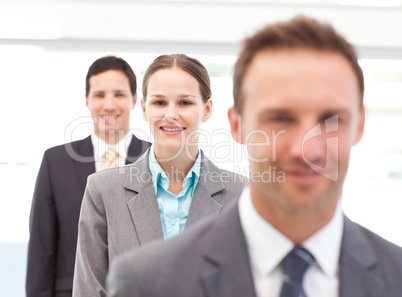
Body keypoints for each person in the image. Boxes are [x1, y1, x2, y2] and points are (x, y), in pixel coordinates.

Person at [106, 17, 402, 297]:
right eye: (281, 119)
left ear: (360, 126)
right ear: (237, 125)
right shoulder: (146, 282)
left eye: (331, 120)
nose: (307, 150)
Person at [72, 54, 246, 297]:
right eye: (159, 103)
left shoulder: (242, 194)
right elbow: (89, 290)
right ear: (143, 108)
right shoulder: (103, 190)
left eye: (185, 103)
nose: (171, 114)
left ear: (207, 109)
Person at [26, 56, 150, 297]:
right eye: (100, 95)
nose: (109, 105)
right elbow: (42, 249)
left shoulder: (157, 160)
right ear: (87, 101)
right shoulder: (56, 162)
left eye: (119, 94)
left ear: (135, 100)